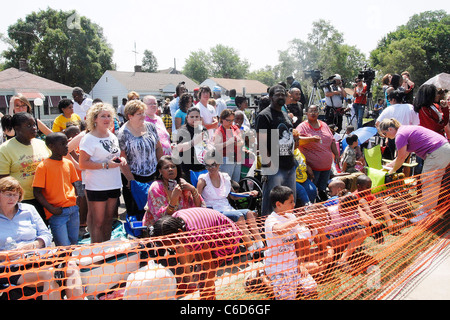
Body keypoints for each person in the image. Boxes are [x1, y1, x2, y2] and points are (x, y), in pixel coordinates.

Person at [0, 176, 83, 300]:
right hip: (10, 267)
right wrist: (6, 255)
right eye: (8, 194)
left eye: (16, 195)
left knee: (71, 266)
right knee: (50, 274)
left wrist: (33, 245)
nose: (12, 198)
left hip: (38, 257)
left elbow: (46, 235)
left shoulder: (29, 209)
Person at [151, 208, 242, 300]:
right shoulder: (174, 223)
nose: (173, 248)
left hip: (225, 235)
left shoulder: (193, 234)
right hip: (207, 235)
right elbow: (199, 251)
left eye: (173, 245)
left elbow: (210, 266)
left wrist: (207, 285)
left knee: (204, 276)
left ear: (179, 233)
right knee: (201, 273)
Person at [379, 118, 450, 221]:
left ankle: (426, 212)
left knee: (428, 182)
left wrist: (392, 171)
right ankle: (427, 209)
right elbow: (403, 155)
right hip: (442, 150)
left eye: (385, 134)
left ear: (390, 129)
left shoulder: (400, 135)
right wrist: (389, 166)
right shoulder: (404, 130)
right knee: (432, 182)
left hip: (437, 152)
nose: (386, 137)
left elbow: (401, 157)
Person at [196, 150, 264, 254]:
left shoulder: (225, 177)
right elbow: (197, 198)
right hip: (213, 212)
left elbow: (232, 196)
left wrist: (248, 193)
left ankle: (260, 245)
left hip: (227, 209)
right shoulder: (203, 180)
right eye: (208, 165)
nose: (211, 168)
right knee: (239, 215)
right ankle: (251, 250)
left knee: (249, 213)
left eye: (213, 164)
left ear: (219, 163)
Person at [79, 103, 126, 243]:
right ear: (94, 119)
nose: (106, 119)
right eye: (102, 116)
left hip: (114, 183)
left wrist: (120, 160)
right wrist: (106, 165)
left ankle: (106, 251)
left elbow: (113, 155)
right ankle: (97, 253)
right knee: (97, 222)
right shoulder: (88, 139)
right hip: (96, 186)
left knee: (108, 221)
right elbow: (83, 164)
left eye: (109, 116)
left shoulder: (111, 135)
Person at [264, 186, 318, 300]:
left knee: (311, 288)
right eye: (291, 202)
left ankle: (290, 285)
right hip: (278, 266)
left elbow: (297, 241)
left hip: (293, 263)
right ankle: (262, 277)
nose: (294, 205)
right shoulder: (271, 220)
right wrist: (300, 220)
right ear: (278, 204)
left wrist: (300, 263)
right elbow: (279, 230)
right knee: (287, 298)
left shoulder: (291, 216)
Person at [0, 112, 51, 223]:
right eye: (28, 125)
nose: (34, 128)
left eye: (34, 125)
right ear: (17, 128)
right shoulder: (5, 149)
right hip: (21, 201)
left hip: (45, 198)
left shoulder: (41, 144)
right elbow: (3, 180)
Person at [117, 100, 163, 220]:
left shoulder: (150, 127)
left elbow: (158, 148)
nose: (143, 116)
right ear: (130, 116)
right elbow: (122, 160)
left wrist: (162, 167)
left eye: (143, 113)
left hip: (153, 175)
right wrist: (131, 181)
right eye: (139, 114)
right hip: (134, 178)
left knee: (154, 210)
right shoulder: (123, 133)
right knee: (137, 213)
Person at [32, 133, 80, 246]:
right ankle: (65, 263)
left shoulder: (68, 163)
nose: (66, 146)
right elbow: (37, 192)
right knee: (63, 245)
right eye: (62, 144)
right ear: (51, 146)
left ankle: (71, 263)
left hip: (73, 209)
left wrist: (79, 200)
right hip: (57, 212)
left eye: (66, 143)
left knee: (74, 242)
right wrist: (51, 209)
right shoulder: (43, 166)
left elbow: (76, 183)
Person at [256, 85, 297, 216]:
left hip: (289, 165)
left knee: (288, 203)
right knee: (271, 203)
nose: (281, 96)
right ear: (271, 97)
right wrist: (270, 165)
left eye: (283, 94)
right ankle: (267, 231)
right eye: (277, 94)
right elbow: (261, 143)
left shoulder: (286, 115)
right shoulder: (264, 116)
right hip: (274, 168)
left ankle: (286, 230)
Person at [143, 156, 204, 227]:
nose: (170, 169)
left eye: (173, 166)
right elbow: (161, 218)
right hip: (160, 228)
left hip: (181, 225)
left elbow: (198, 206)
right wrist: (173, 200)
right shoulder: (156, 187)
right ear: (160, 171)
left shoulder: (182, 183)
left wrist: (193, 190)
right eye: (166, 168)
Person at [296, 105, 340, 202]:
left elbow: (332, 140)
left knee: (322, 190)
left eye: (315, 111)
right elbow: (297, 139)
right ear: (306, 113)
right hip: (312, 167)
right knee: (312, 191)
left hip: (326, 166)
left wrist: (336, 154)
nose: (313, 113)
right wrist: (311, 139)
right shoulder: (302, 126)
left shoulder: (324, 125)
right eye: (311, 111)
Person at [324, 192, 367, 273]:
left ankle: (342, 260)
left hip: (337, 240)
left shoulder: (350, 213)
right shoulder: (330, 212)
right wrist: (329, 242)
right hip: (327, 242)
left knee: (362, 232)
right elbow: (320, 233)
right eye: (343, 209)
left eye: (351, 211)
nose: (348, 214)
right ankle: (336, 257)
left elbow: (366, 223)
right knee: (328, 257)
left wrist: (358, 210)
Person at [173, 106, 208, 183]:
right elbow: (179, 148)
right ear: (187, 118)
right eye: (192, 117)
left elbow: (206, 145)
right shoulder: (183, 130)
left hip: (201, 167)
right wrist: (193, 142)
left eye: (197, 117)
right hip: (188, 168)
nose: (194, 119)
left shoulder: (203, 129)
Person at [213, 109, 244, 182]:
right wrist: (228, 142)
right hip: (226, 159)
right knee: (226, 181)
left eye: (232, 120)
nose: (231, 122)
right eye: (228, 120)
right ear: (222, 119)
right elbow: (216, 146)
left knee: (236, 182)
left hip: (237, 158)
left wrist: (238, 142)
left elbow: (241, 141)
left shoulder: (234, 128)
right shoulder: (219, 131)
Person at [292, 129, 317, 207]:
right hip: (292, 180)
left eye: (298, 140)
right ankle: (307, 208)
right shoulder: (285, 153)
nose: (297, 143)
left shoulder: (298, 151)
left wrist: (307, 167)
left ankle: (311, 208)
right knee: (301, 191)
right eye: (295, 141)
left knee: (312, 190)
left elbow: (302, 163)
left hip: (303, 178)